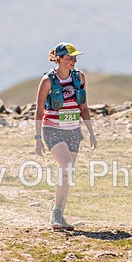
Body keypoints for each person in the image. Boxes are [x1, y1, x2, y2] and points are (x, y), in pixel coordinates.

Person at [35, 42, 97, 230]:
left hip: (74, 131)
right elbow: (38, 112)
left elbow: (84, 108)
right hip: (52, 129)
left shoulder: (80, 77)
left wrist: (91, 133)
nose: (74, 60)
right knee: (67, 165)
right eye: (70, 57)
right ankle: (55, 215)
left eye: (76, 57)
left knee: (67, 172)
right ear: (59, 59)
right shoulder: (47, 80)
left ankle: (59, 213)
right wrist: (38, 139)